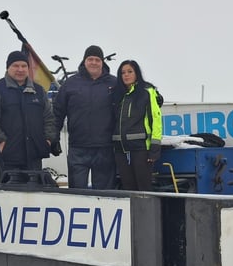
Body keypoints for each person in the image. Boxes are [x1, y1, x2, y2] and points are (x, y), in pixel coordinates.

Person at [0, 50, 59, 183]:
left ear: (28, 68)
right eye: (16, 66)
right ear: (8, 68)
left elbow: (49, 118)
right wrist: (1, 142)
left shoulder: (39, 91)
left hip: (34, 157)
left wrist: (47, 140)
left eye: (24, 66)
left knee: (35, 199)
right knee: (9, 199)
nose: (20, 69)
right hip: (7, 158)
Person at [52, 45, 117, 189]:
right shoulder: (70, 83)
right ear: (84, 61)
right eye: (90, 59)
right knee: (77, 193)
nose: (93, 62)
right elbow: (57, 112)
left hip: (105, 148)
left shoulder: (114, 83)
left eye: (97, 59)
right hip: (78, 148)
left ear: (102, 62)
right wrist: (53, 137)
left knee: (104, 195)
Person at [110, 60, 162, 191]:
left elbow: (156, 119)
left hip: (141, 149)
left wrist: (155, 148)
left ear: (136, 73)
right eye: (123, 73)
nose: (126, 75)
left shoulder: (147, 92)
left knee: (144, 189)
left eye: (130, 72)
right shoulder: (117, 94)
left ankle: (147, 212)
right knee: (128, 189)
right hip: (120, 150)